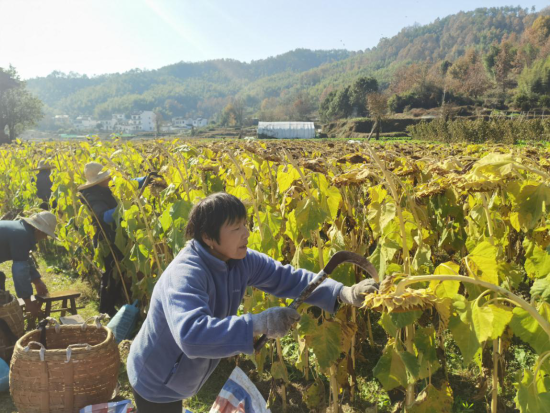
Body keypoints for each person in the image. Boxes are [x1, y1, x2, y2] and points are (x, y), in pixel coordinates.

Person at [127, 192, 378, 412]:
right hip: (155, 377)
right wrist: (259, 323)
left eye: (245, 225)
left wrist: (343, 292)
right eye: (236, 228)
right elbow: (192, 335)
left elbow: (286, 277)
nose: (246, 233)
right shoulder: (185, 274)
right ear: (208, 238)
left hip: (181, 376)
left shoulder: (241, 260)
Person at [78, 162, 146, 316]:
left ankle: (111, 305)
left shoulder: (105, 187)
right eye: (106, 177)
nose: (110, 178)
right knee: (110, 273)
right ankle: (105, 308)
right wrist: (125, 207)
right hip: (106, 239)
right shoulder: (92, 197)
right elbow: (105, 217)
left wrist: (146, 179)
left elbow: (128, 183)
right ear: (98, 181)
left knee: (118, 270)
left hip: (116, 235)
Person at [0, 211, 58, 316]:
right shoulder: (22, 235)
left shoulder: (21, 229)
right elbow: (20, 271)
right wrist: (28, 301)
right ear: (38, 230)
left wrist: (37, 281)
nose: (45, 238)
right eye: (45, 234)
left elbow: (24, 257)